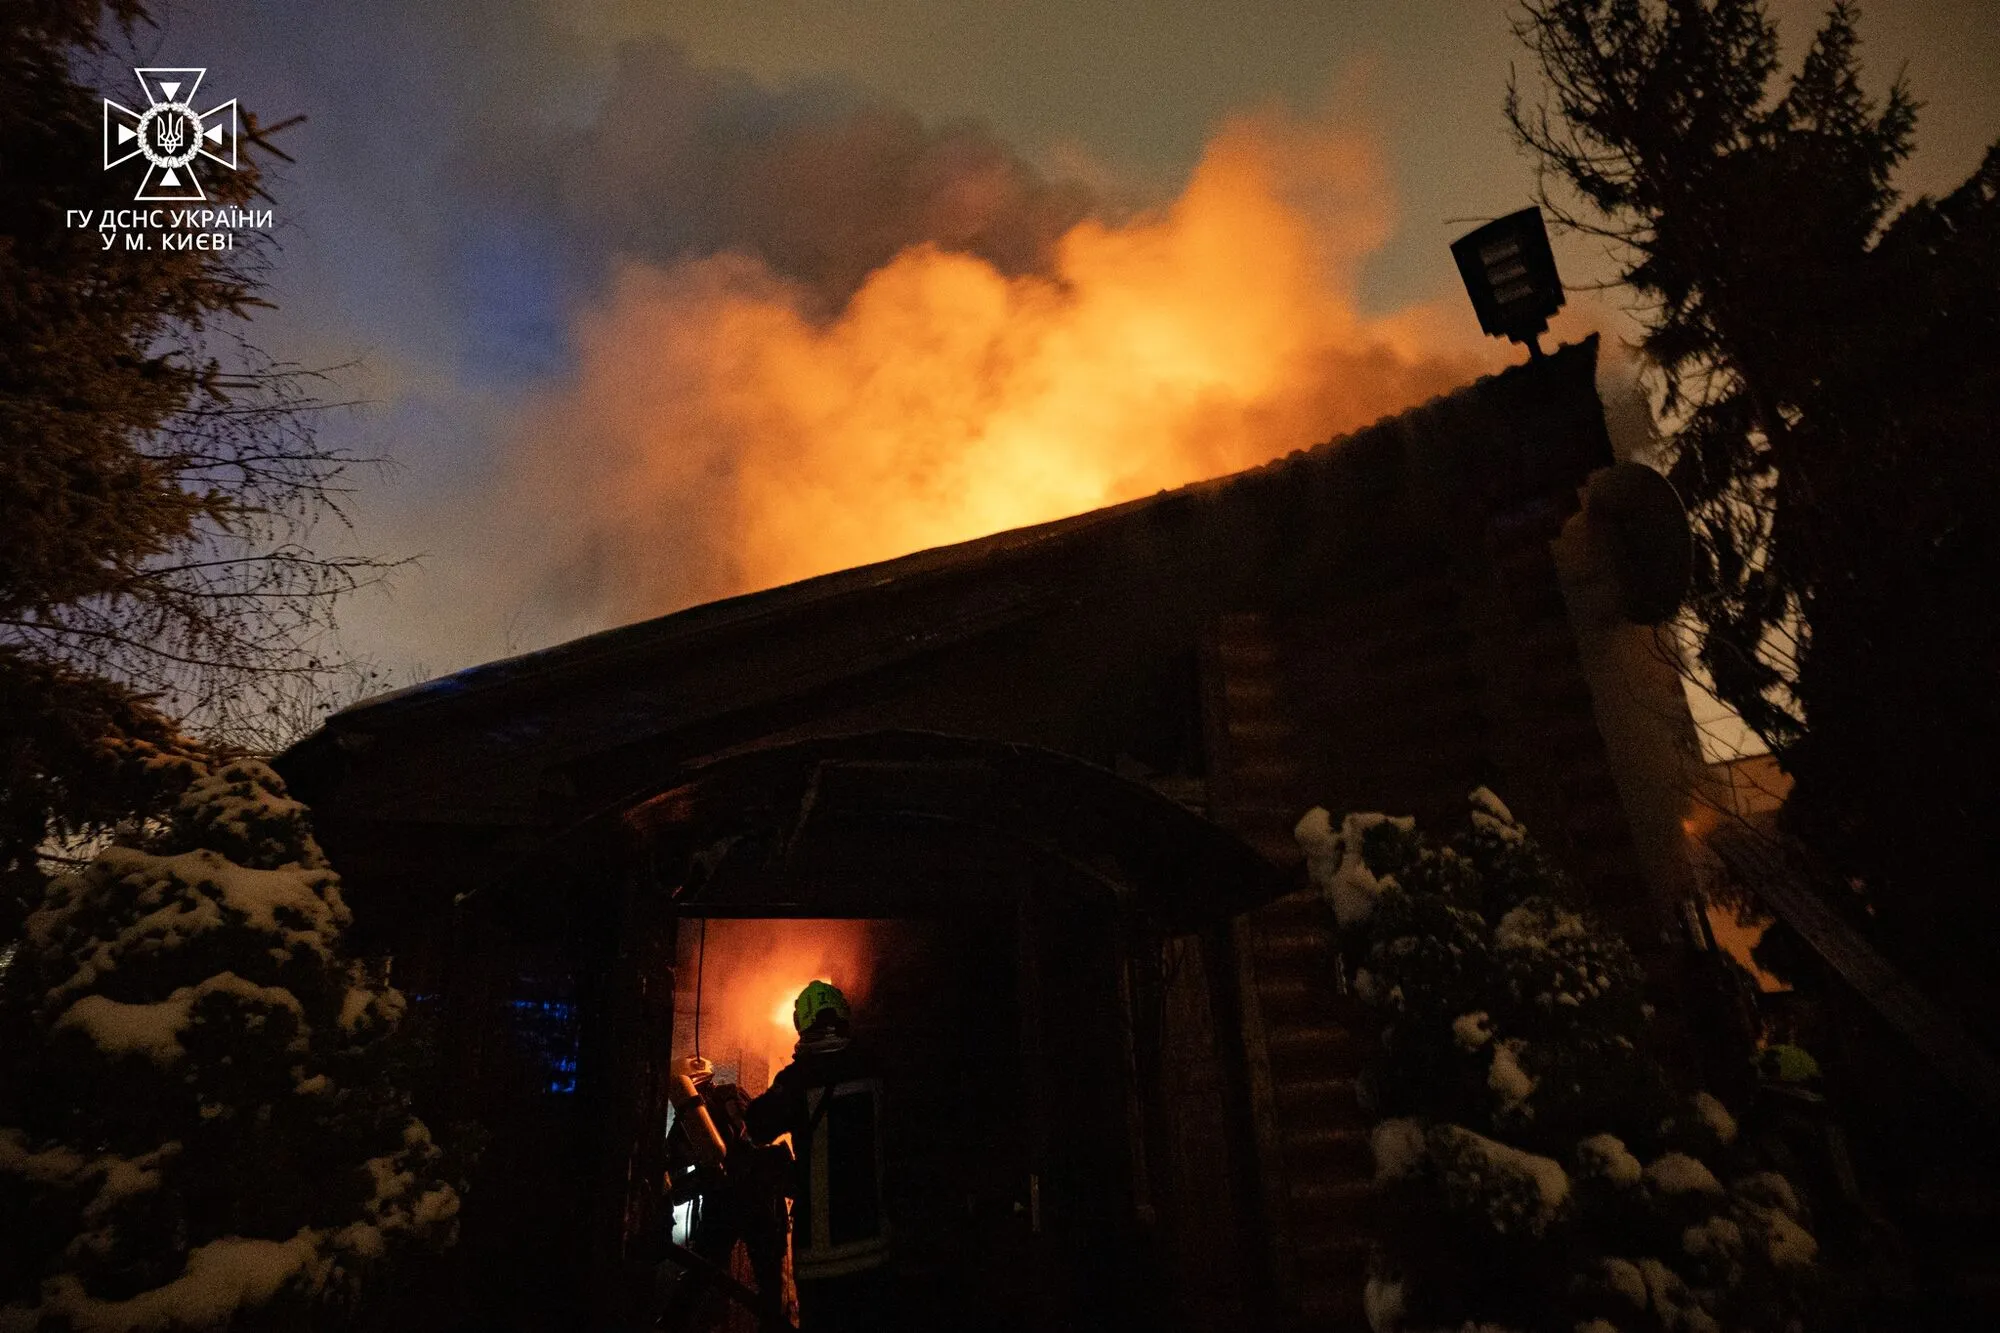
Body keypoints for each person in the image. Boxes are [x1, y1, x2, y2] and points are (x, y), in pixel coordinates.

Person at [745, 981, 892, 1333]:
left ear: (802, 1024)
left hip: (823, 1258)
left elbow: (758, 1126)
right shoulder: (874, 1068)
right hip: (877, 1248)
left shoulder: (799, 1079)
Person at [660, 1059, 792, 1332]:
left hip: (722, 1201)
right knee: (769, 1281)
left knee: (701, 1271)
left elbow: (674, 1163)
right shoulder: (731, 1093)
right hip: (758, 1196)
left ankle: (672, 1324)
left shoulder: (687, 1120)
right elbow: (756, 1134)